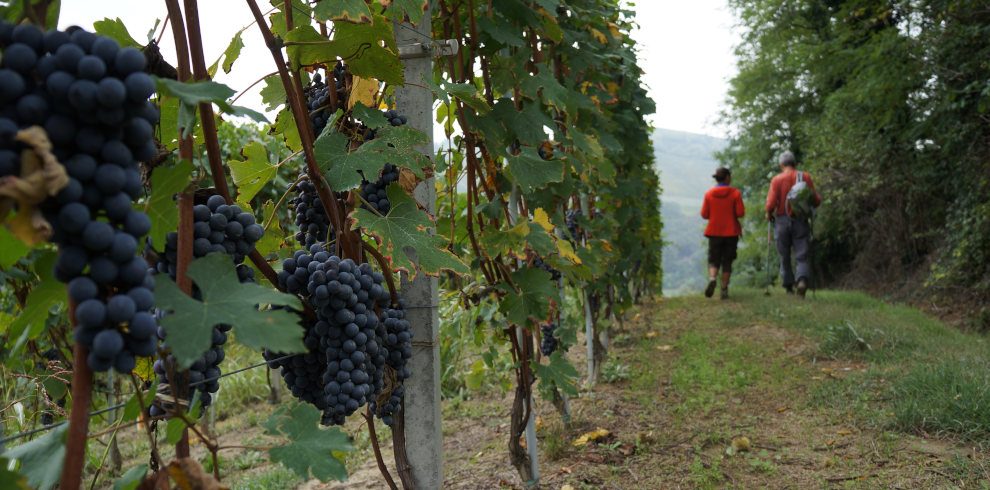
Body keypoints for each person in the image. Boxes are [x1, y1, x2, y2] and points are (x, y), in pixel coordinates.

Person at [765, 151, 822, 298]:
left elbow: (770, 203)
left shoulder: (777, 179)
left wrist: (768, 213)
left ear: (781, 165)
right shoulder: (805, 177)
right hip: (800, 220)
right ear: (794, 163)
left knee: (784, 255)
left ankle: (789, 287)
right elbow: (816, 200)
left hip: (782, 221)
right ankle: (802, 281)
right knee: (802, 254)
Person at [701, 167, 745, 299]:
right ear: (727, 178)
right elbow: (740, 213)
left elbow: (704, 214)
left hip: (714, 232)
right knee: (727, 262)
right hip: (731, 232)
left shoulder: (709, 194)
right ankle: (724, 289)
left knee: (714, 260)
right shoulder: (735, 193)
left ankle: (713, 278)